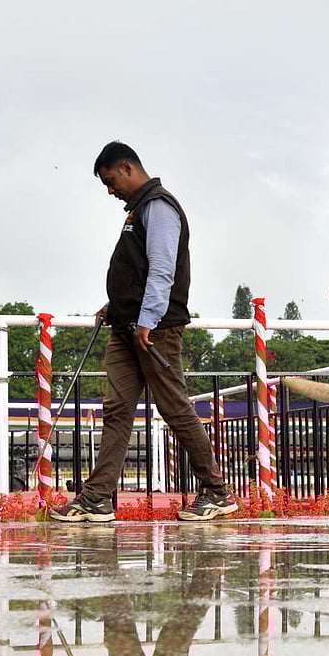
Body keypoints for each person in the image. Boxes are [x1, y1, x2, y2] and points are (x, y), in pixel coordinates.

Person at [51, 141, 236, 523]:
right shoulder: (137, 210)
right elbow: (136, 272)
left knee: (173, 406)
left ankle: (217, 491)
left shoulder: (159, 207)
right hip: (126, 327)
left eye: (110, 180)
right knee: (117, 410)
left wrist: (148, 319)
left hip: (154, 330)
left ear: (126, 167)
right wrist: (116, 307)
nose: (109, 190)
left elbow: (162, 268)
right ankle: (97, 499)